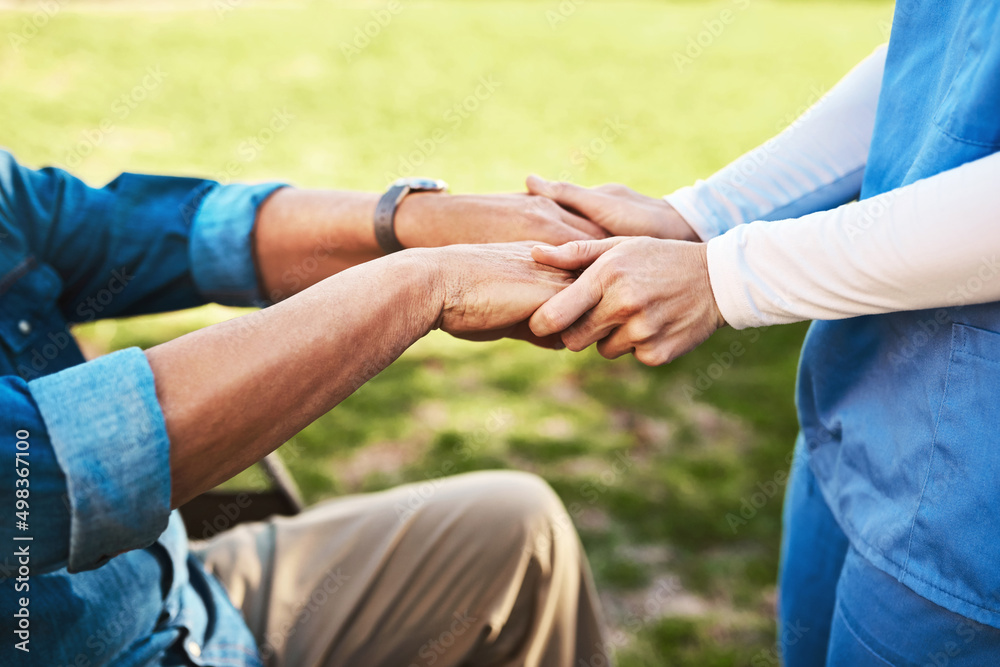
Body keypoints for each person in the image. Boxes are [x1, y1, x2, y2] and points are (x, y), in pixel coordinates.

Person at [524, 2, 1000, 664]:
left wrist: (725, 278)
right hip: (860, 409)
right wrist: (704, 214)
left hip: (973, 504)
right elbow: (945, 55)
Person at [0, 154, 613, 666]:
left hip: (179, 594)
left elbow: (165, 230)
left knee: (514, 530)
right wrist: (424, 284)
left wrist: (415, 218)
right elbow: (44, 478)